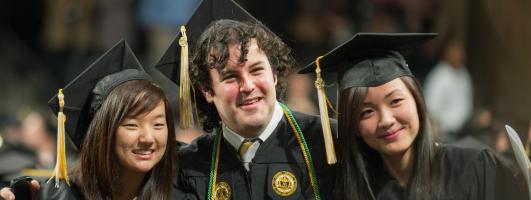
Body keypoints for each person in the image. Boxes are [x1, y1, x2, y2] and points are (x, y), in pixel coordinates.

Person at [299, 33, 528, 199]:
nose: (386, 119)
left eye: (396, 101)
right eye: (366, 111)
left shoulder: (477, 169)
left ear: (418, 100)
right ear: (354, 126)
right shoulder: (351, 191)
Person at [152, 0, 336, 199]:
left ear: (274, 74)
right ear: (207, 90)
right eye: (231, 77)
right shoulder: (189, 166)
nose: (247, 86)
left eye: (256, 70)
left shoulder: (329, 143)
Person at [0, 40, 178, 199]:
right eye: (132, 125)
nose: (148, 138)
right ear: (100, 134)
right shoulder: (53, 196)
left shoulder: (183, 191)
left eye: (158, 124)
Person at [424, 39, 473, 141]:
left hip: (465, 128)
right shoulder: (439, 76)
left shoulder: (464, 73)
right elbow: (430, 108)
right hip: (444, 132)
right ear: (447, 54)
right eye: (455, 52)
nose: (459, 55)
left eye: (460, 52)